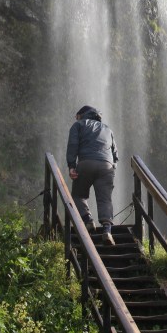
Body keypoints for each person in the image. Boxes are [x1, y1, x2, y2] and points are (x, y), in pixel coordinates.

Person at [66, 105, 118, 245]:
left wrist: (71, 166)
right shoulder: (107, 129)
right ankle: (107, 230)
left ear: (82, 115)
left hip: (86, 162)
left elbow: (73, 145)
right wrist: (112, 167)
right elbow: (115, 154)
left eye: (77, 116)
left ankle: (88, 220)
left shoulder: (78, 125)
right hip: (107, 166)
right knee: (105, 199)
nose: (76, 119)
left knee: (78, 195)